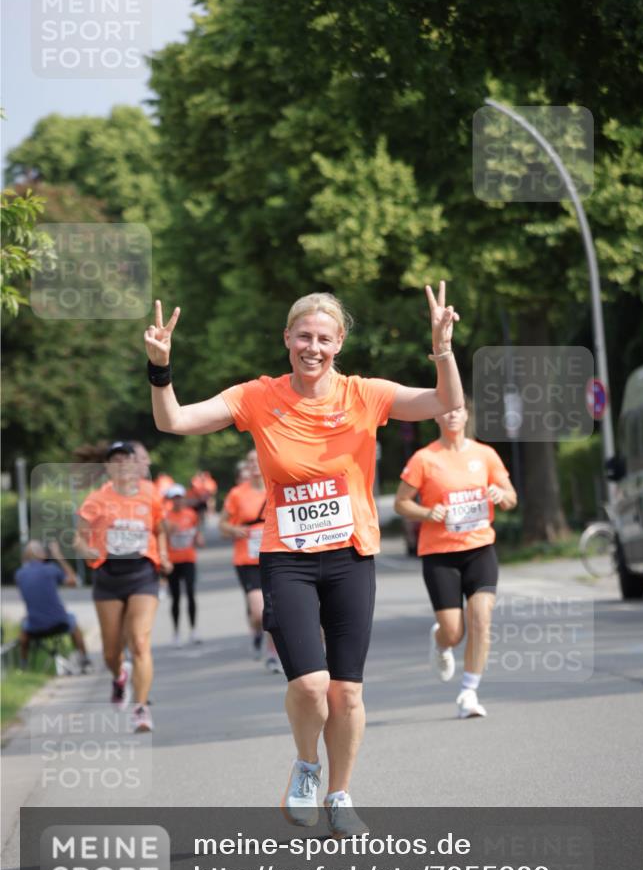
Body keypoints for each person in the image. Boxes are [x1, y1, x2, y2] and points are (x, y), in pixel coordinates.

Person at [144, 284, 462, 835]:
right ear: (287, 338)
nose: (313, 347)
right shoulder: (257, 397)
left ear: (339, 343)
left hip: (350, 554)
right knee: (312, 685)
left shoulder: (365, 394)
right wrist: (160, 368)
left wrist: (442, 349)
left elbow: (443, 403)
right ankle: (307, 765)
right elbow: (173, 421)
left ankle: (340, 794)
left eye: (324, 338)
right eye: (303, 336)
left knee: (348, 690)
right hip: (286, 557)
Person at [394, 401, 517, 719]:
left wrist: (500, 495)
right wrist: (426, 512)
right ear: (436, 416)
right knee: (453, 632)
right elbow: (401, 503)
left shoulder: (485, 455)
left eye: (457, 409)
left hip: (479, 548)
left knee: (481, 618)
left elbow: (511, 497)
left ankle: (469, 692)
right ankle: (440, 641)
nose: (451, 414)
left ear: (466, 415)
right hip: (439, 554)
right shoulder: (425, 458)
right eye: (445, 409)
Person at [74, 441, 172, 733]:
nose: (122, 464)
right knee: (110, 652)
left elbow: (159, 529)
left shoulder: (150, 493)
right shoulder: (96, 498)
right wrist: (85, 550)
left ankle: (140, 709)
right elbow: (78, 537)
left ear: (135, 463)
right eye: (115, 460)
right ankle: (119, 675)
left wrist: (164, 554)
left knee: (140, 641)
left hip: (142, 572)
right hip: (108, 575)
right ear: (107, 467)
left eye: (126, 459)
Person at [219, 449, 281, 673]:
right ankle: (256, 632)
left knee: (274, 609)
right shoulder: (237, 494)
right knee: (258, 612)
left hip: (275, 555)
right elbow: (222, 525)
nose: (254, 465)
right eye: (250, 462)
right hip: (247, 560)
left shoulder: (278, 485)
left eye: (258, 460)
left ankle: (273, 654)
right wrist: (235, 530)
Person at [15, 540, 92, 673]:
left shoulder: (19, 575)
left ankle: (23, 666)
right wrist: (58, 555)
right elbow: (73, 581)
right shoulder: (51, 569)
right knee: (73, 622)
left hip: (34, 626)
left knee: (23, 628)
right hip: (59, 622)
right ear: (42, 554)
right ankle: (85, 660)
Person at [164, 484, 204, 644]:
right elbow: (161, 534)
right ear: (170, 500)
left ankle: (193, 630)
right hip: (173, 562)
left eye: (179, 498)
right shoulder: (165, 517)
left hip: (188, 559)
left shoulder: (191, 514)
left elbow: (196, 532)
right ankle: (176, 632)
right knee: (175, 598)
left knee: (190, 593)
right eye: (174, 498)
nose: (177, 501)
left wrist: (198, 538)